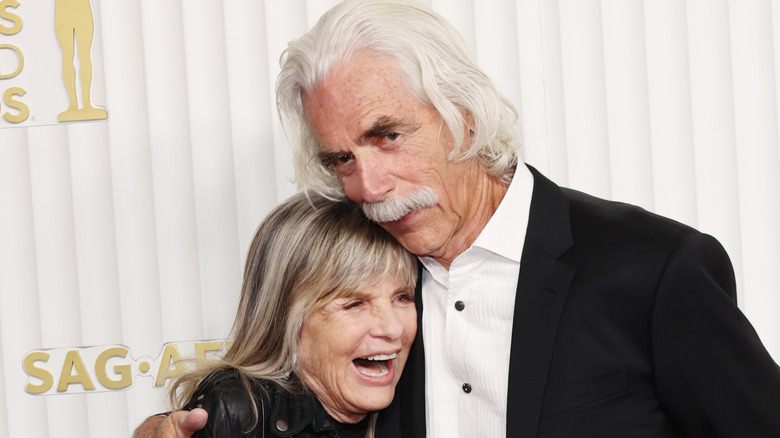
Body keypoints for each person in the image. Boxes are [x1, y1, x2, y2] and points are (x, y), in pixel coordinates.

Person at [137, 0, 780, 437]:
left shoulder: (652, 269)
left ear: (463, 113)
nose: (369, 187)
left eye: (388, 136)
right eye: (341, 159)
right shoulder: (368, 286)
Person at [138, 192, 417, 437]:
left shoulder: (425, 389)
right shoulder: (242, 415)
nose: (392, 328)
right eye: (354, 304)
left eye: (402, 297)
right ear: (287, 319)